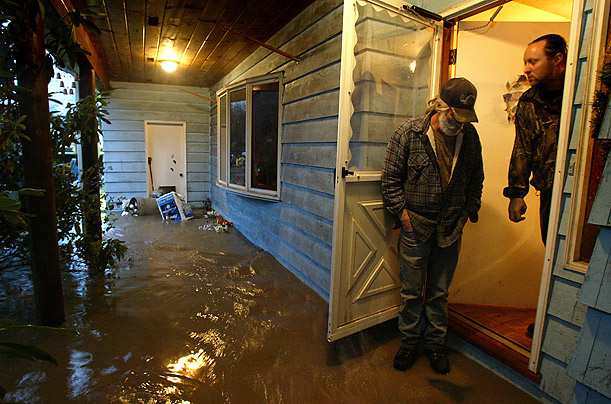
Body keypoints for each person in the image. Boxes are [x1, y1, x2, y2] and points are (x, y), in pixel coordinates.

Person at [381, 78, 484, 375]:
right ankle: (410, 342)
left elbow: (477, 179)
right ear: (440, 106)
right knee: (412, 293)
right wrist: (404, 218)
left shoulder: (471, 137)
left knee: (439, 292)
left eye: (465, 118)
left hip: (451, 228)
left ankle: (436, 344)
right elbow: (390, 180)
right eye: (455, 115)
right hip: (417, 227)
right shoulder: (409, 133)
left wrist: (467, 213)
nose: (459, 124)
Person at [504, 34, 567, 244]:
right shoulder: (529, 102)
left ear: (557, 59)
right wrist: (516, 193)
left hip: (581, 193)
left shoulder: (580, 94)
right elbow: (522, 149)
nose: (526, 69)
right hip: (550, 193)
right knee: (551, 249)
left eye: (533, 61)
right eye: (525, 62)